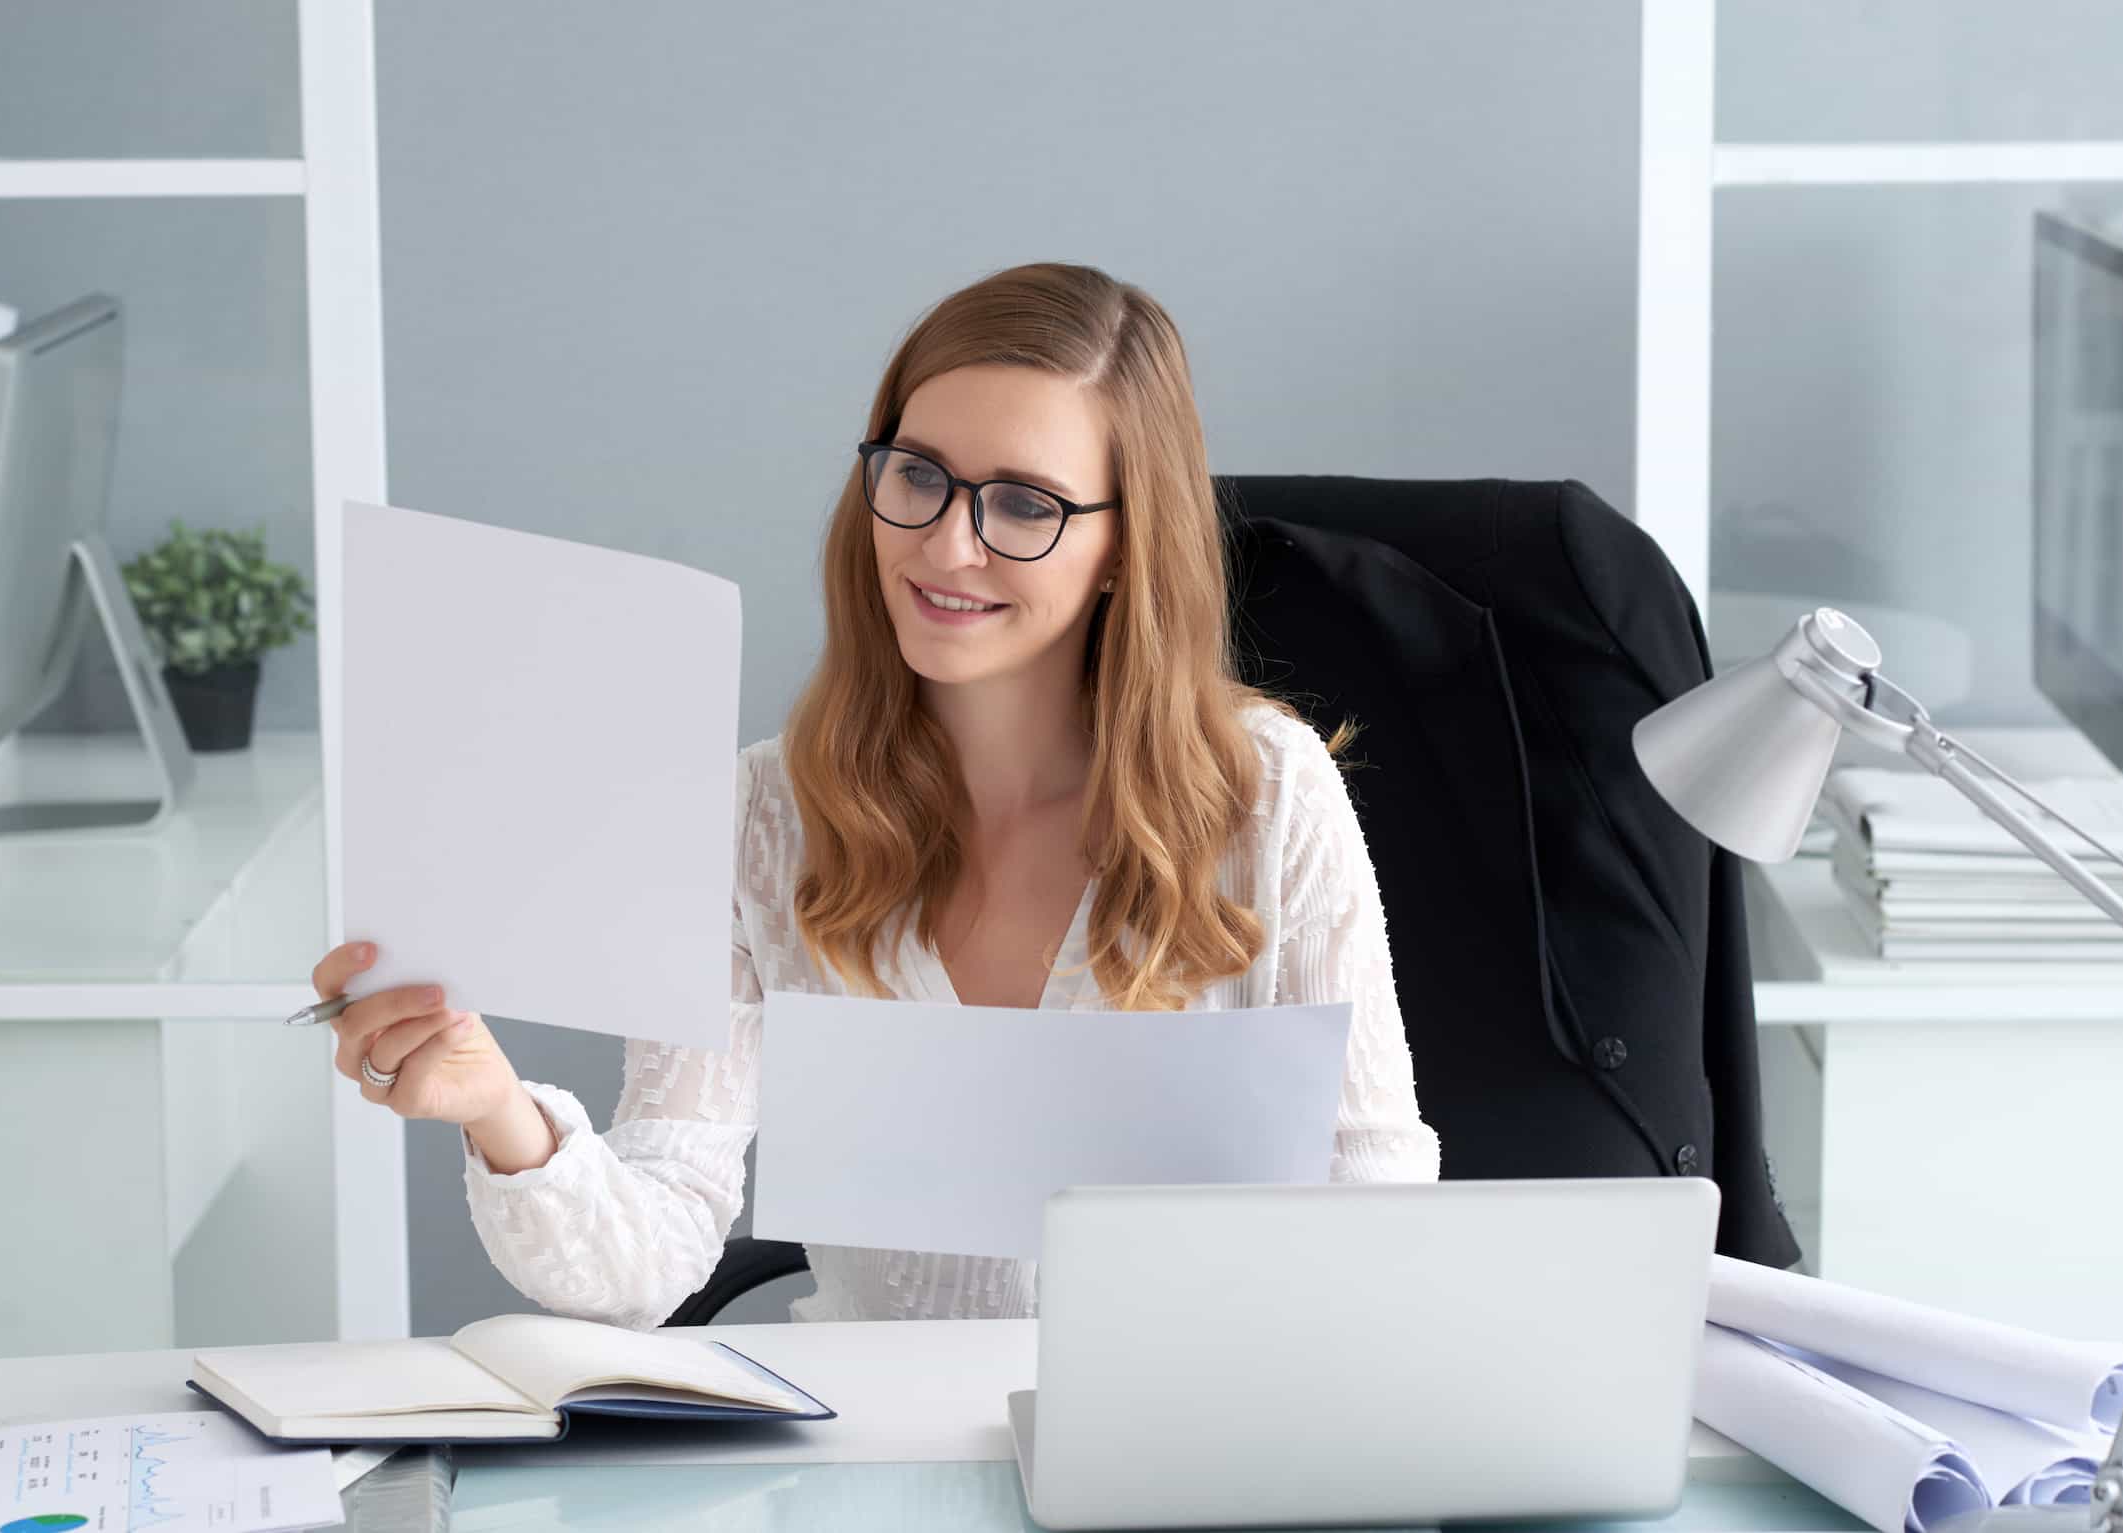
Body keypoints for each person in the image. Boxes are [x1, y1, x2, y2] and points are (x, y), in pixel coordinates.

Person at [308, 262, 1440, 1327]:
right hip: (868, 1453)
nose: (949, 545)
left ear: (1125, 548)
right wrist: (498, 1111)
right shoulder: (763, 816)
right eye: (917, 476)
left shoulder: (1263, 797)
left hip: (1186, 1457)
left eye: (1026, 505)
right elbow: (651, 1253)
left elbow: (1373, 1209)